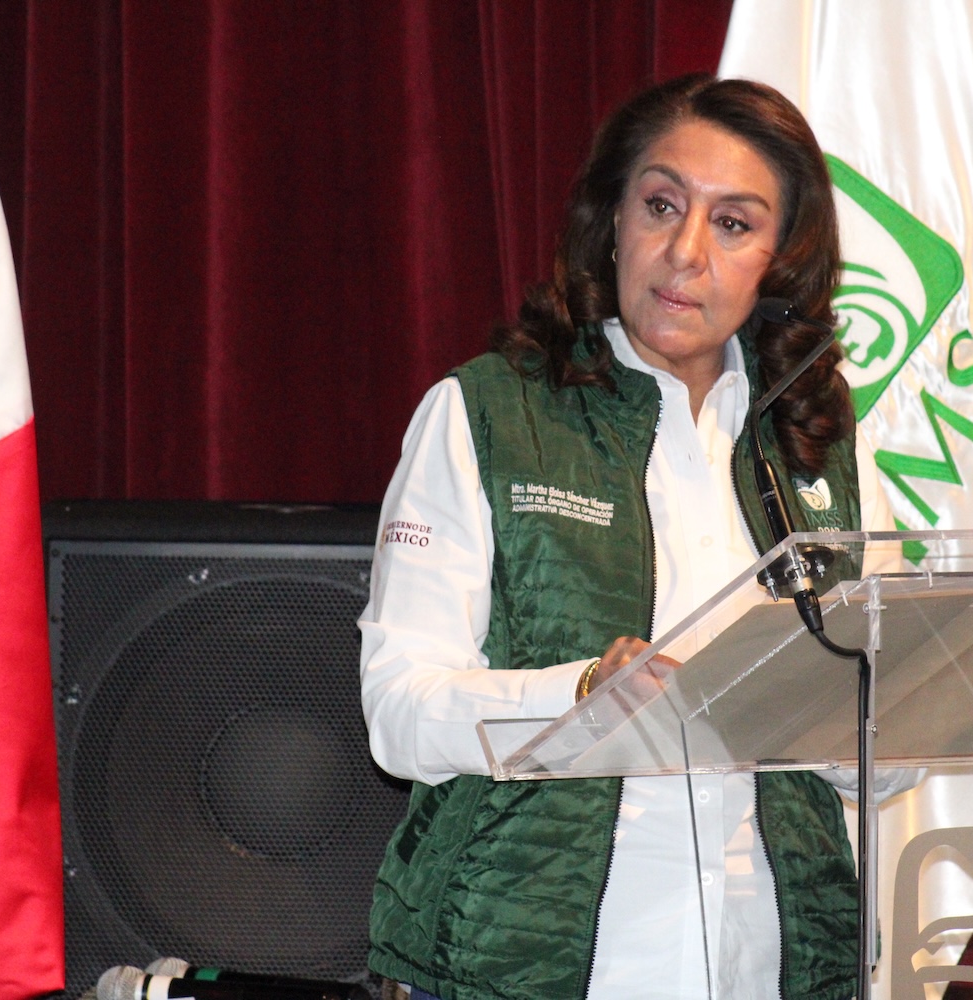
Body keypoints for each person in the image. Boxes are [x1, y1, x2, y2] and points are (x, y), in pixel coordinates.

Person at [358, 74, 896, 1000]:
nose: (686, 252)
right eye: (661, 206)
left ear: (780, 263)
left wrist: (903, 703)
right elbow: (397, 716)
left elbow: (876, 767)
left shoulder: (818, 447)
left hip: (775, 965)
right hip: (525, 966)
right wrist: (581, 695)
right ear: (612, 220)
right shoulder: (488, 413)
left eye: (734, 224)